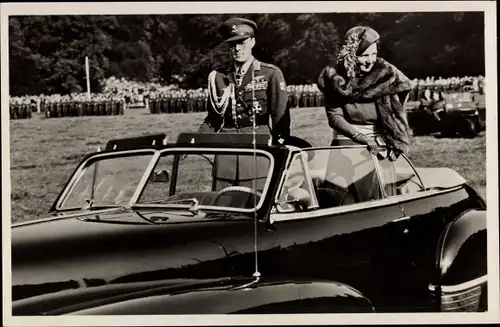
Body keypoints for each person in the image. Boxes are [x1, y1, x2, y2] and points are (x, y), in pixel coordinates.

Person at [317, 26, 413, 159]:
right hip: (348, 143)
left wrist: (393, 134)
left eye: (374, 54)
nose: (370, 61)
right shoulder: (335, 78)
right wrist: (360, 137)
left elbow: (402, 96)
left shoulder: (385, 72)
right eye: (364, 55)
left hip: (382, 144)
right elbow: (334, 116)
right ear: (350, 55)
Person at [198, 17, 290, 142]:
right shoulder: (218, 76)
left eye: (242, 42)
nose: (237, 48)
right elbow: (213, 120)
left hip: (259, 143)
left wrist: (280, 144)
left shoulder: (270, 74)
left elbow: (280, 118)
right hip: (226, 143)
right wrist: (196, 139)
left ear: (252, 42)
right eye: (232, 44)